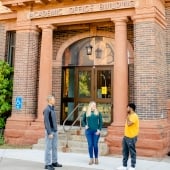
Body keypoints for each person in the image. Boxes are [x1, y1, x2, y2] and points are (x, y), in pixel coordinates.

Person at [117, 103, 139, 170]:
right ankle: (124, 166)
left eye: (128, 108)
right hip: (126, 136)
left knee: (132, 152)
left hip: (131, 137)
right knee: (125, 151)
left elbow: (129, 124)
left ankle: (132, 166)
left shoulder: (134, 116)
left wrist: (127, 117)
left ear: (131, 108)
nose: (127, 109)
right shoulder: (130, 115)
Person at [43, 95, 62, 170]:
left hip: (55, 131)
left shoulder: (52, 109)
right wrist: (49, 132)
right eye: (53, 100)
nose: (55, 101)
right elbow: (46, 122)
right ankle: (47, 164)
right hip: (50, 131)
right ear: (49, 101)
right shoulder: (47, 109)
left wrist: (56, 130)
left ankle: (54, 162)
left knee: (54, 147)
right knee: (48, 148)